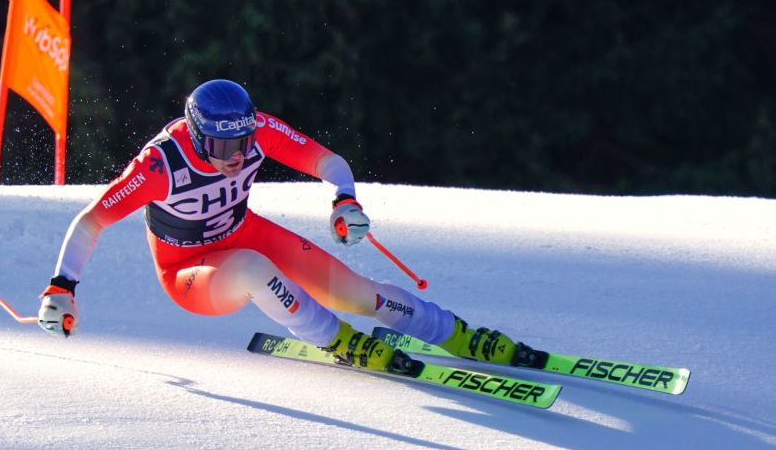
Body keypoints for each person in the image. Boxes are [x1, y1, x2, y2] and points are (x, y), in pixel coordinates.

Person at [38, 79, 543, 372]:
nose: (235, 157)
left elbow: (329, 160)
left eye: (241, 145)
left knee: (359, 292)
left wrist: (344, 200)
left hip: (245, 233)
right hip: (189, 272)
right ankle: (336, 339)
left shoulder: (255, 131)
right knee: (254, 269)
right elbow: (91, 222)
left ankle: (455, 335)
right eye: (219, 148)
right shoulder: (159, 165)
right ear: (196, 136)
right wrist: (63, 286)